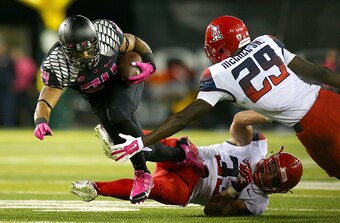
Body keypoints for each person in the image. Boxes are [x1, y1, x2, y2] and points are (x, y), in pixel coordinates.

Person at [108, 15, 340, 179]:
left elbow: (182, 118)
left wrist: (141, 142)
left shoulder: (217, 74)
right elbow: (317, 72)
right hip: (329, 100)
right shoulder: (267, 41)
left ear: (219, 47)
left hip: (315, 128)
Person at [33, 15, 207, 204]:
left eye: (87, 49)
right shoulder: (57, 64)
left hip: (123, 80)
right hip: (98, 99)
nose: (85, 56)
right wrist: (41, 120)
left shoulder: (107, 36)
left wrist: (149, 62)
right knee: (129, 149)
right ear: (65, 50)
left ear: (95, 41)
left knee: (118, 114)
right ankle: (183, 153)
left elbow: (135, 42)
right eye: (77, 52)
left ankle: (142, 175)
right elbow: (46, 98)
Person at [70, 110, 303, 216]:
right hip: (190, 156)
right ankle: (117, 138)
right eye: (271, 168)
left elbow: (212, 210)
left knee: (151, 188)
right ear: (270, 157)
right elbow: (240, 119)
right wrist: (277, 113)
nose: (265, 175)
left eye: (272, 179)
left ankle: (95, 187)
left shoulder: (257, 203)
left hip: (188, 189)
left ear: (278, 190)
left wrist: (237, 188)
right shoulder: (256, 147)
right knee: (168, 146)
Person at [0, 35, 16, 127]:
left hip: (7, 89)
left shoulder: (9, 60)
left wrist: (11, 83)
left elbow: (13, 73)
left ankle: (9, 127)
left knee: (8, 109)